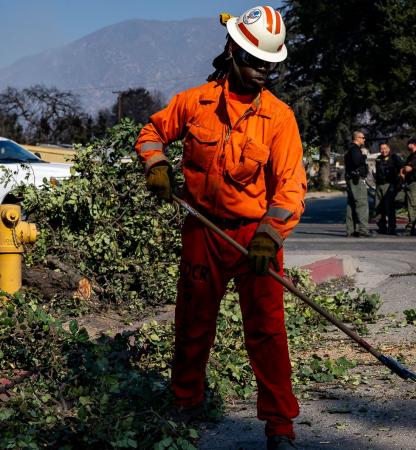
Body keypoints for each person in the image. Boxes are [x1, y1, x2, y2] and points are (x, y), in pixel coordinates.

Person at [134, 6, 306, 450]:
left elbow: (290, 188)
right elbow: (151, 132)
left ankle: (280, 427)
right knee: (192, 324)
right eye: (254, 61)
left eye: (270, 64)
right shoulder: (195, 103)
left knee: (267, 332)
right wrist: (155, 164)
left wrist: (269, 235)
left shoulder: (279, 118)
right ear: (231, 52)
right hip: (203, 231)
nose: (263, 71)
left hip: (255, 239)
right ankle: (185, 404)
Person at [344, 131, 374, 237]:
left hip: (351, 179)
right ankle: (363, 230)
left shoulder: (350, 149)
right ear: (357, 138)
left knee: (351, 205)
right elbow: (357, 161)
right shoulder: (355, 149)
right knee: (362, 204)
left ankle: (351, 230)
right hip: (356, 180)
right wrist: (364, 157)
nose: (364, 139)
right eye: (363, 137)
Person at [398, 137, 416, 236]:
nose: (407, 145)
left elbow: (408, 168)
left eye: (409, 143)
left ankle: (409, 229)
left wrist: (404, 170)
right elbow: (403, 168)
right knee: (408, 204)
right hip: (410, 183)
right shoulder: (411, 156)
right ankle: (410, 228)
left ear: (413, 144)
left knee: (413, 206)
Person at [373, 142, 403, 234]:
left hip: (389, 185)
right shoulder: (378, 159)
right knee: (378, 207)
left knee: (389, 208)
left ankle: (391, 228)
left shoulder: (394, 158)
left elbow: (402, 167)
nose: (383, 150)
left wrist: (400, 178)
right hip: (379, 185)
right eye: (381, 149)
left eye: (385, 148)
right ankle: (382, 227)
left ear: (389, 149)